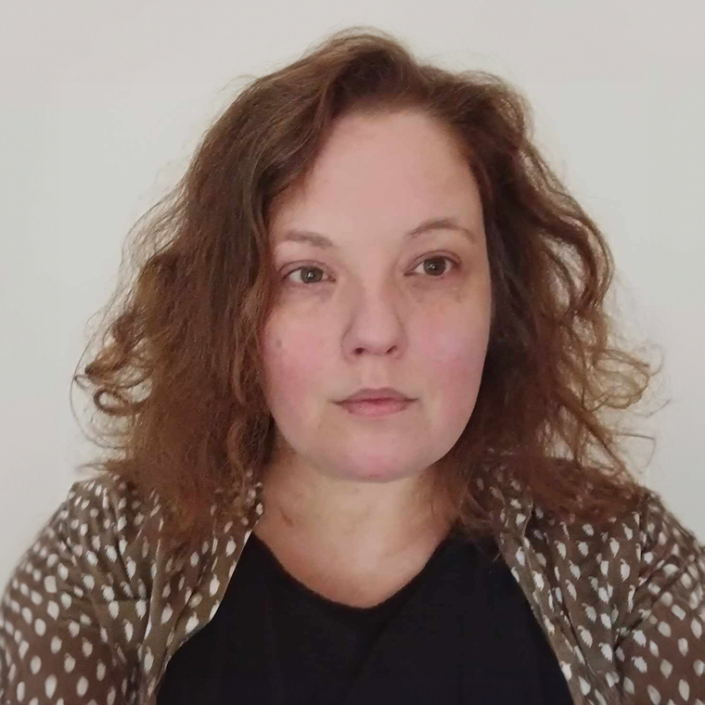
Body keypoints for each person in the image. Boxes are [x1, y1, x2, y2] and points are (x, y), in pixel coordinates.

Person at [1, 26, 703, 705]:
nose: (376, 333)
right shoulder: (108, 557)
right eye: (307, 273)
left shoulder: (627, 562)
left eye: (433, 265)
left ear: (501, 294)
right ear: (228, 309)